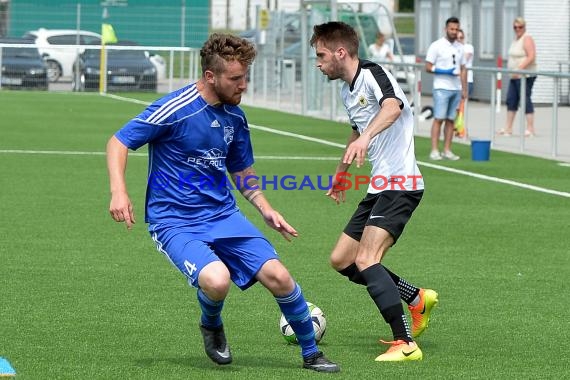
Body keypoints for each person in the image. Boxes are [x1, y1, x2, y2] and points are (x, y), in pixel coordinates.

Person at [106, 33, 340, 373]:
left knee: (280, 276)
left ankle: (311, 354)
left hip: (222, 215)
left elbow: (240, 169)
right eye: (235, 78)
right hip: (173, 220)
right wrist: (119, 191)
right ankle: (211, 324)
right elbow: (118, 142)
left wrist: (265, 207)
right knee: (217, 280)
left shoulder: (235, 117)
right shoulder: (175, 109)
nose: (243, 84)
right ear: (210, 76)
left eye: (245, 76)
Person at [310, 21, 438, 362]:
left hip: (401, 183)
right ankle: (416, 298)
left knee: (367, 259)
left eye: (321, 55)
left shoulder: (372, 73)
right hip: (380, 185)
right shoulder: (346, 90)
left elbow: (393, 107)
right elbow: (357, 132)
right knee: (342, 260)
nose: (318, 63)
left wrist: (367, 137)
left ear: (340, 52)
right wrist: (341, 173)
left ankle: (405, 344)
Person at [425, 17, 467, 161]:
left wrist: (464, 89)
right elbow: (428, 67)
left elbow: (463, 68)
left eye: (456, 29)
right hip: (441, 87)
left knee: (451, 120)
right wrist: (444, 71)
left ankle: (447, 150)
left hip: (456, 88)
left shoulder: (460, 47)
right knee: (439, 118)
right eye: (452, 29)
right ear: (446, 29)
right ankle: (434, 150)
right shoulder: (436, 46)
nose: (454, 32)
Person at [500, 17, 537, 137]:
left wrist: (519, 68)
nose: (517, 29)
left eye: (520, 27)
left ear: (524, 27)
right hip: (514, 76)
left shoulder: (527, 38)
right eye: (515, 27)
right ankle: (508, 127)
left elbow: (531, 56)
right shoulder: (516, 39)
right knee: (511, 99)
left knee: (525, 99)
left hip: (525, 75)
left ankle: (530, 128)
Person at [457, 29, 474, 97]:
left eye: (461, 38)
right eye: (457, 38)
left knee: (462, 103)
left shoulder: (468, 47)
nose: (459, 40)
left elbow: (463, 60)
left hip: (467, 80)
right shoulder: (452, 48)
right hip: (455, 81)